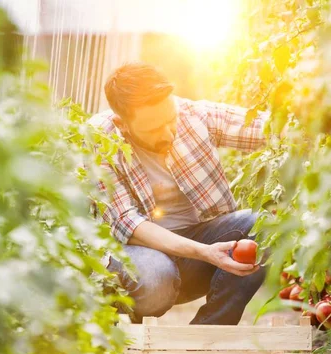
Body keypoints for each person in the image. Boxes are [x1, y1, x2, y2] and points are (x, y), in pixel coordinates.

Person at [88, 62, 269, 325]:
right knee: (156, 277)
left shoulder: (193, 114)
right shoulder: (99, 139)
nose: (169, 132)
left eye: (170, 120)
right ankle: (121, 326)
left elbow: (268, 127)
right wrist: (205, 252)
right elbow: (129, 224)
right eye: (153, 129)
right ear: (122, 124)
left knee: (262, 225)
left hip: (196, 258)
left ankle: (208, 335)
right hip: (140, 259)